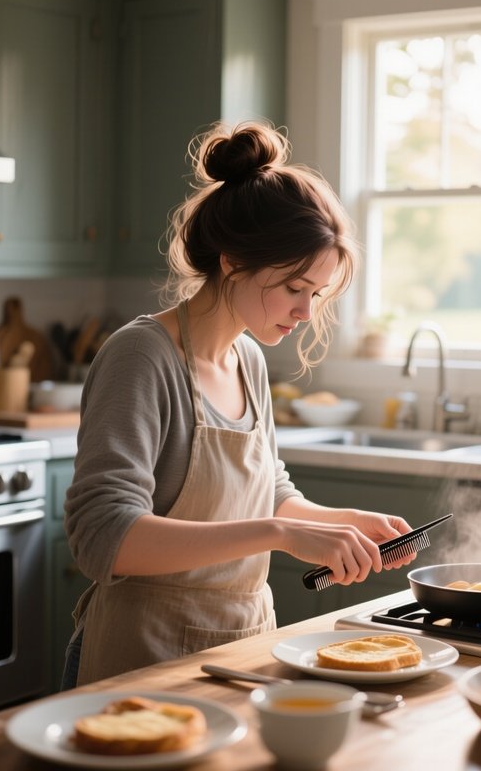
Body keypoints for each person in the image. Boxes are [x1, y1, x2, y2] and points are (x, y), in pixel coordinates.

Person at [61, 121, 414, 689]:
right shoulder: (142, 357)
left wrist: (341, 524)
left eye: (315, 293)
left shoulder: (247, 358)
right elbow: (105, 536)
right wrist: (278, 533)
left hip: (243, 648)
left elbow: (267, 492)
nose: (304, 312)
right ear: (232, 262)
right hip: (142, 664)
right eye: (295, 287)